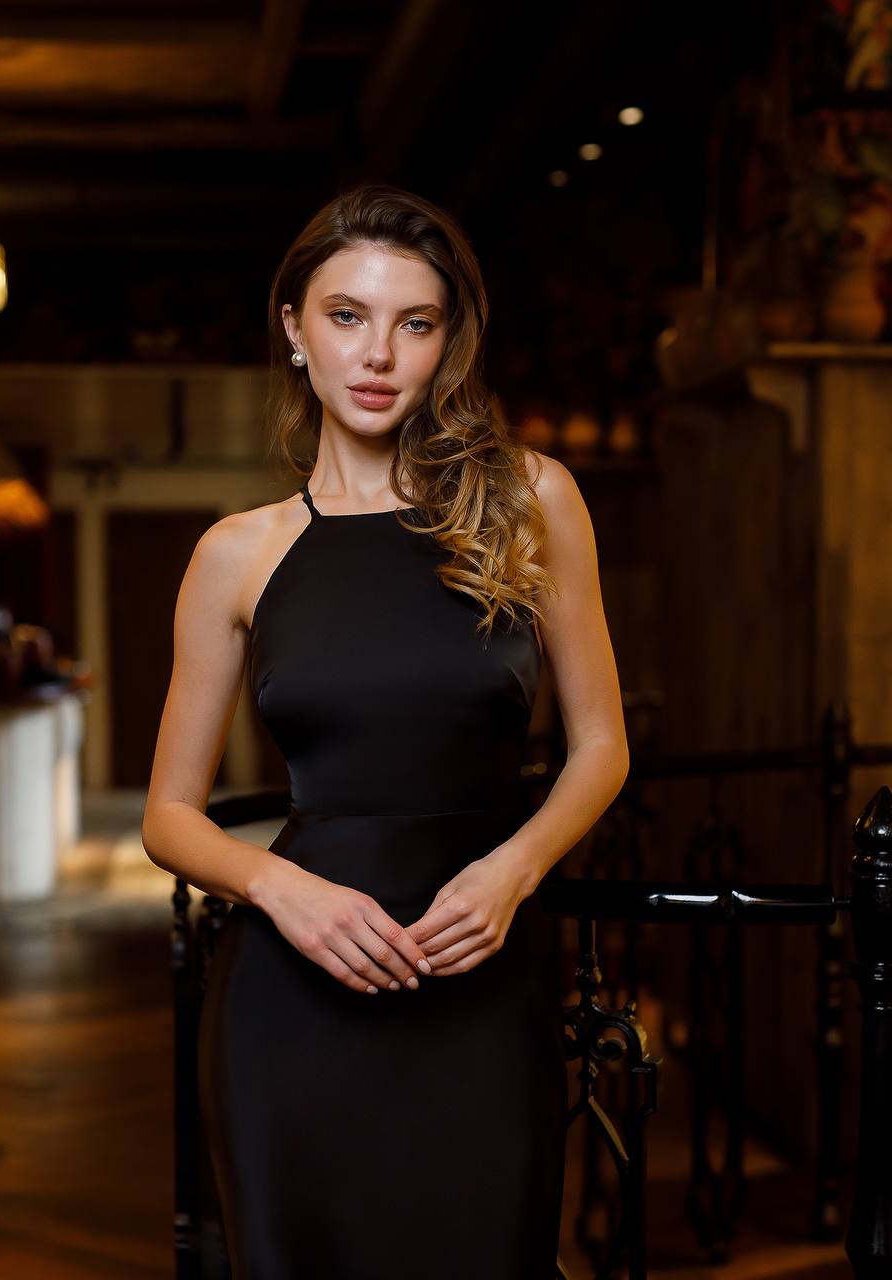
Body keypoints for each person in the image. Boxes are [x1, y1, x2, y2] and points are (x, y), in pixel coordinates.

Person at [141, 183, 629, 1279]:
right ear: (294, 329)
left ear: (447, 343)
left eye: (416, 323)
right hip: (293, 1002)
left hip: (479, 985)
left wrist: (511, 870)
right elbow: (168, 815)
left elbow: (600, 743)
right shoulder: (238, 551)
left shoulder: (531, 498)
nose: (377, 354)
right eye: (346, 315)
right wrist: (281, 888)